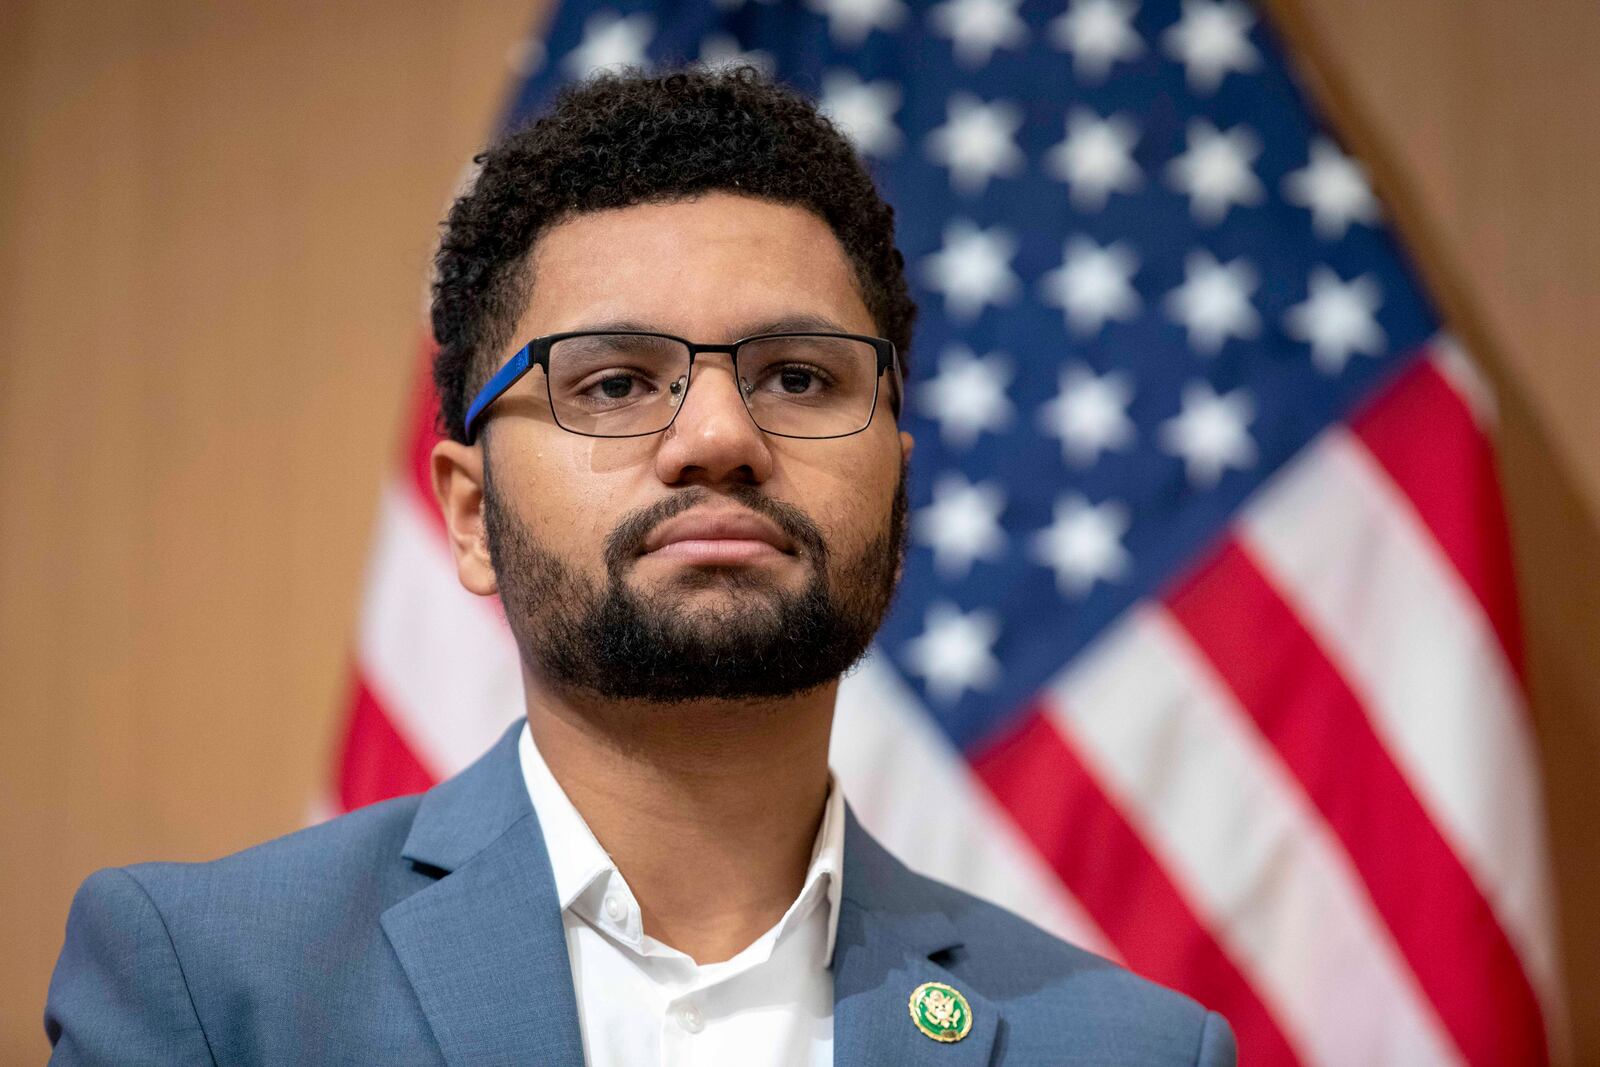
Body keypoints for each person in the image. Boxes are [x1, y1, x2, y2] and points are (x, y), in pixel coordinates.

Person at [45, 67, 1235, 1066]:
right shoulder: (209, 985)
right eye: (612, 381)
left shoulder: (1128, 1047)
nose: (718, 437)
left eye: (800, 378)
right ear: (469, 516)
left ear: (900, 484)